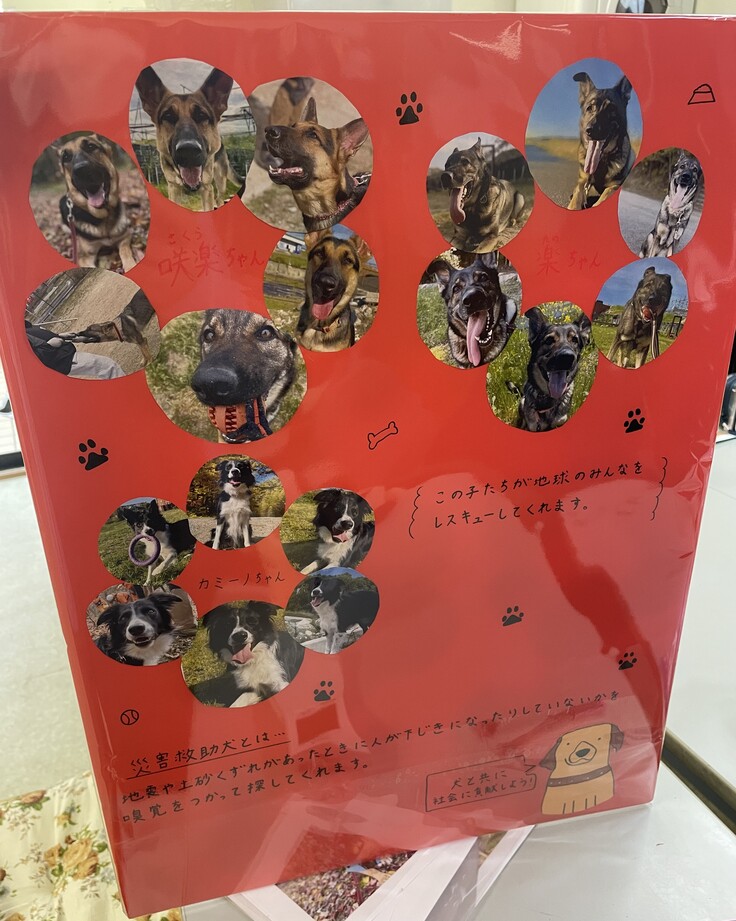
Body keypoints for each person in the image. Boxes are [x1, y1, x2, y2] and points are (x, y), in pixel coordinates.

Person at [25, 321, 125, 379]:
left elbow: (40, 336)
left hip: (64, 353)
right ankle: (127, 390)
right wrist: (50, 345)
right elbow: (35, 357)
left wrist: (59, 335)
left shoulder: (23, 327)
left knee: (105, 367)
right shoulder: (18, 338)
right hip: (62, 360)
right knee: (106, 366)